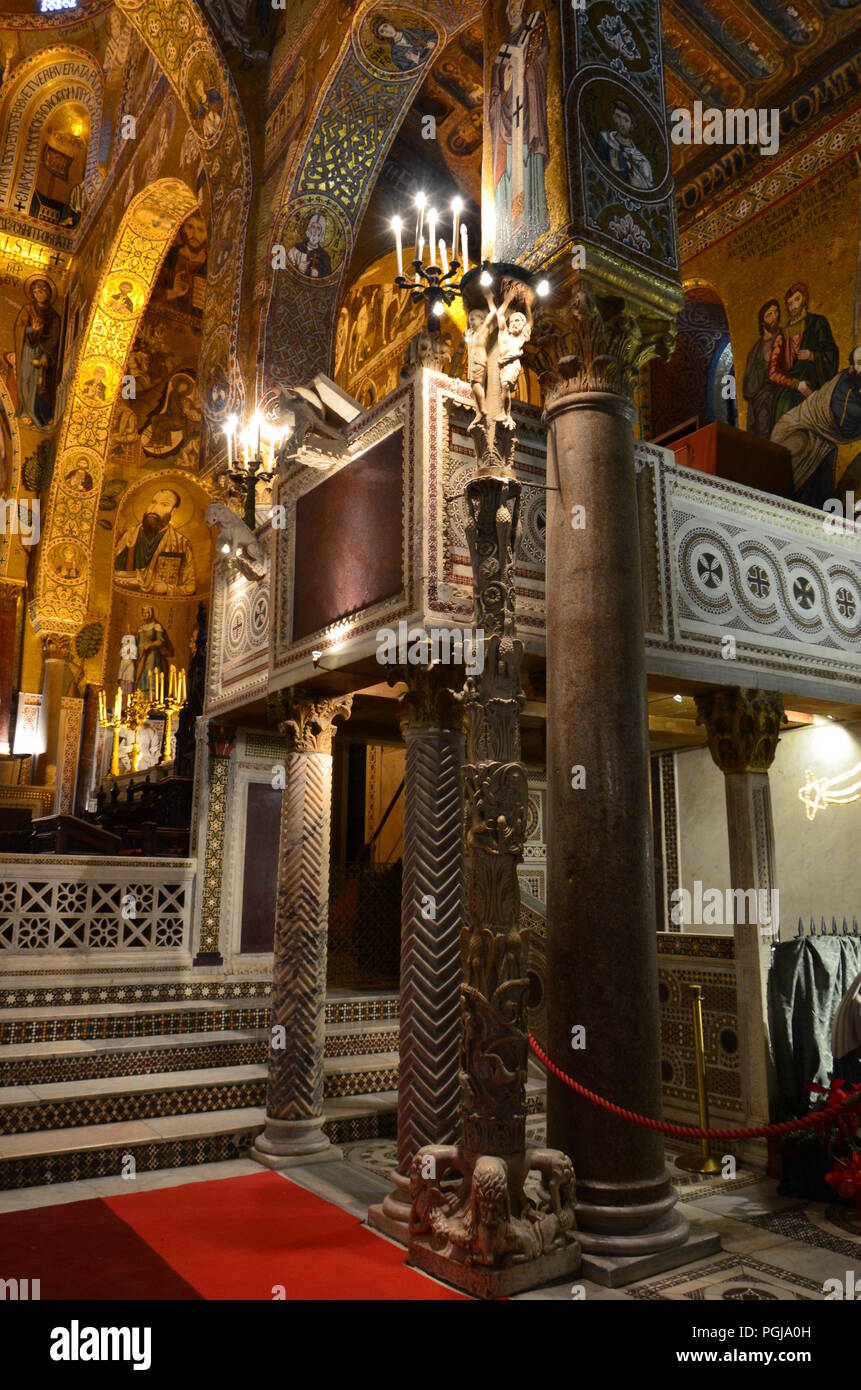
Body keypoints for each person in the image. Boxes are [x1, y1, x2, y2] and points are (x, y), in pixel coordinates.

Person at [771, 344, 861, 508]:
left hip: (823, 443)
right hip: (799, 429)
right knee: (794, 473)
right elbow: (844, 424)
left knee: (819, 496)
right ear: (851, 368)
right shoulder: (845, 391)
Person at [768, 282, 839, 426]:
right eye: (789, 303)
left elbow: (831, 353)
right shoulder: (782, 335)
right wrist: (796, 384)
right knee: (785, 407)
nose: (793, 305)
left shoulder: (818, 323)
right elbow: (773, 372)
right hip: (790, 390)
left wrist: (812, 355)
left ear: (805, 299)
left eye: (797, 299)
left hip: (816, 385)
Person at [114, 487, 196, 596]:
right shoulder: (130, 535)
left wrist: (167, 589)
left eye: (164, 504)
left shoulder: (181, 544)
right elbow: (110, 570)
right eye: (153, 502)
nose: (154, 509)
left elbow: (190, 587)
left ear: (173, 511)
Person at [14, 278, 61, 428]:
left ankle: (42, 414)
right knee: (26, 379)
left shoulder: (54, 317)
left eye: (40, 292)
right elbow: (19, 328)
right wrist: (31, 330)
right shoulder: (28, 309)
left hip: (44, 353)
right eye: (34, 292)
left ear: (47, 293)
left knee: (41, 383)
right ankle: (25, 412)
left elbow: (54, 339)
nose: (37, 295)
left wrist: (46, 354)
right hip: (28, 349)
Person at [742, 299, 781, 438]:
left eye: (776, 313)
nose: (774, 317)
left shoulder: (783, 337)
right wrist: (764, 363)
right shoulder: (754, 350)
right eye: (769, 314)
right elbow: (748, 383)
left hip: (777, 391)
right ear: (762, 321)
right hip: (759, 397)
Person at [595, 99, 653, 190]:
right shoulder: (605, 140)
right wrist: (616, 170)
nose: (621, 123)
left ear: (632, 125)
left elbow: (648, 188)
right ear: (613, 116)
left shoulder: (641, 158)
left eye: (626, 120)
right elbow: (598, 171)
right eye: (618, 116)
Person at [134, 605, 174, 695]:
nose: (145, 615)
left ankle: (152, 693)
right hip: (143, 654)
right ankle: (142, 694)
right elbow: (139, 643)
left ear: (151, 614)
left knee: (151, 669)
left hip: (153, 653)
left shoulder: (156, 626)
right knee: (141, 673)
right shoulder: (141, 628)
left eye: (147, 612)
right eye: (143, 613)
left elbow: (160, 641)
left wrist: (149, 645)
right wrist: (140, 650)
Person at [371, 16, 436, 70]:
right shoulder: (395, 54)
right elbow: (407, 70)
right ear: (382, 36)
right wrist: (416, 61)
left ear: (390, 24)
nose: (387, 31)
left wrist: (431, 42)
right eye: (382, 31)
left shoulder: (410, 31)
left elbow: (433, 35)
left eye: (385, 26)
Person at [287, 212, 333, 278]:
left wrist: (318, 274)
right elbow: (285, 266)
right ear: (309, 229)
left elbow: (329, 277)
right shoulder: (296, 249)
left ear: (321, 233)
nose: (315, 231)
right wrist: (297, 267)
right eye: (313, 227)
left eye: (318, 228)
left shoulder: (324, 256)